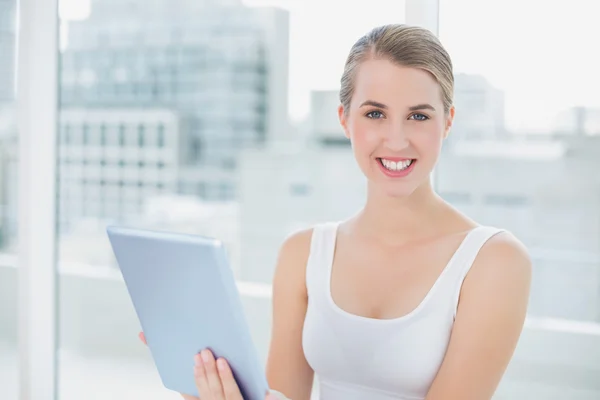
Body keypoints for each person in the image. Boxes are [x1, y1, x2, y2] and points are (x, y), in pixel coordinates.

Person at [140, 23, 532, 400]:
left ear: (447, 122)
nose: (396, 140)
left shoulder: (493, 261)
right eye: (375, 114)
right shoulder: (303, 253)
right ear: (345, 119)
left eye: (418, 115)